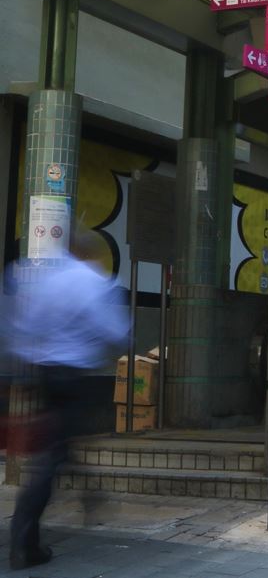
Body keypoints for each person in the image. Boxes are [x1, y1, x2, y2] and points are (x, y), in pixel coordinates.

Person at [6, 229, 130, 570]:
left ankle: (90, 492)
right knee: (52, 456)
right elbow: (116, 330)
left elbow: (22, 327)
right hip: (73, 374)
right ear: (90, 252)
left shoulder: (43, 278)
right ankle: (23, 542)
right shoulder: (92, 280)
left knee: (59, 445)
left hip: (44, 371)